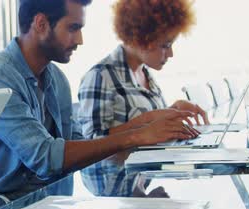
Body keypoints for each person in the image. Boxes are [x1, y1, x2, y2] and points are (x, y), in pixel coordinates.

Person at [0, 0, 198, 200]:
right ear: (41, 24)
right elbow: (45, 157)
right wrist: (136, 135)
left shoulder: (56, 79)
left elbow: (79, 145)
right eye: (73, 28)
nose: (80, 40)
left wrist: (146, 124)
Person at [76, 0, 207, 141]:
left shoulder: (145, 73)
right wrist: (148, 120)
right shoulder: (100, 76)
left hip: (156, 160)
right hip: (125, 164)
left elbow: (153, 128)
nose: (170, 54)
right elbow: (91, 143)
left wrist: (173, 110)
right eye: (165, 45)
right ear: (141, 38)